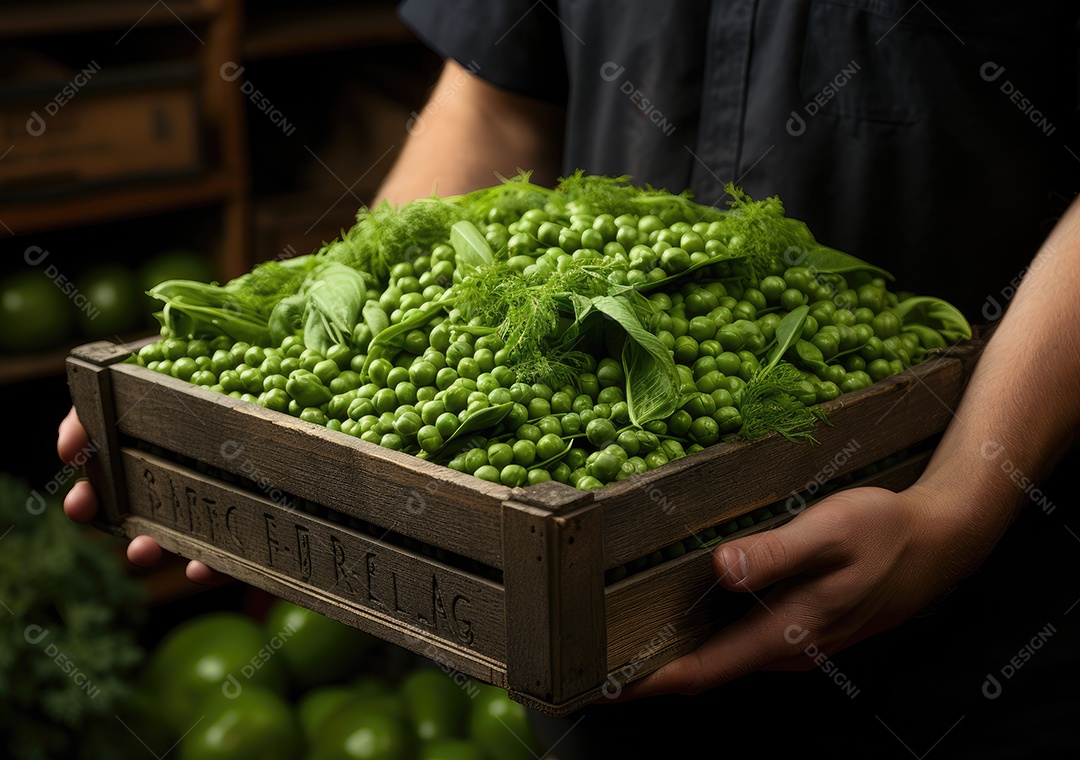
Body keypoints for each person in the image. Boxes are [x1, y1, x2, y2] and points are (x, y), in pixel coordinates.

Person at [59, 2, 1080, 756]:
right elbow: (499, 99)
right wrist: (306, 389)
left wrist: (958, 501)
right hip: (591, 634)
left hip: (978, 628)